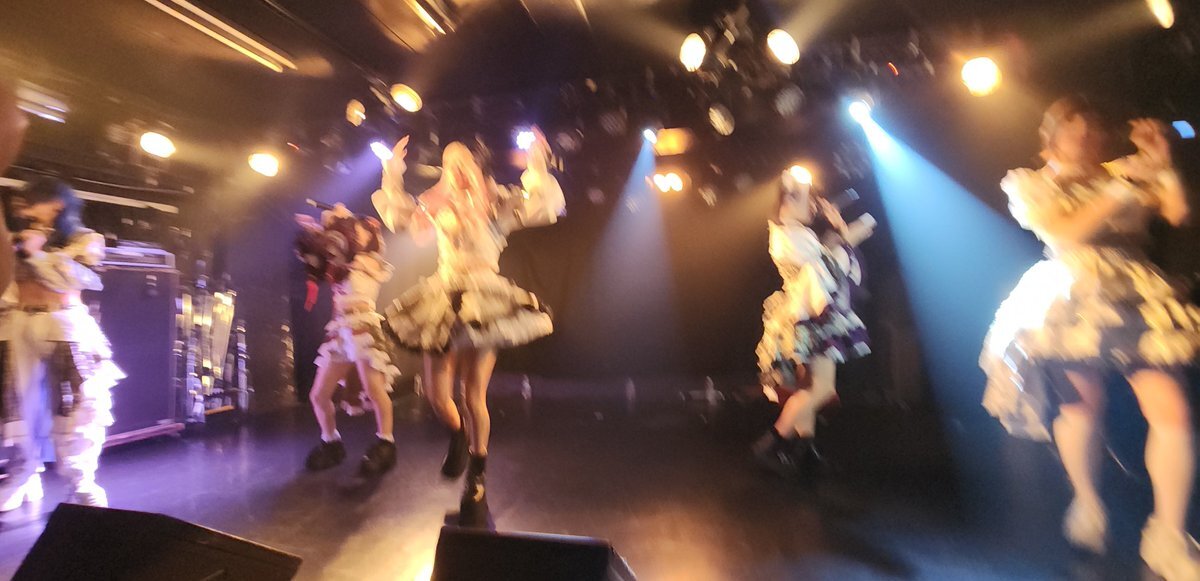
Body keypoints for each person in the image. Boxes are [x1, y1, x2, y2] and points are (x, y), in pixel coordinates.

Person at [980, 96, 1200, 578]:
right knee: (1083, 406)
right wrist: (1124, 185)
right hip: (1075, 293)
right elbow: (1065, 233)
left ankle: (1168, 536)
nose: (1083, 138)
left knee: (1172, 409)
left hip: (1136, 290)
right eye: (1072, 130)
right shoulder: (1032, 182)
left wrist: (1162, 163)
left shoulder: (1123, 171)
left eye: (1090, 130)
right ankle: (1087, 503)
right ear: (1051, 137)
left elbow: (1178, 212)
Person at [373, 129, 563, 526]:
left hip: (483, 299)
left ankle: (477, 471)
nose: (456, 171)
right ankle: (458, 435)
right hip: (442, 296)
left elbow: (541, 205)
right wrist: (392, 172)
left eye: (463, 164)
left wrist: (537, 162)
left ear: (476, 167)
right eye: (450, 164)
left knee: (473, 394)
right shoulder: (436, 205)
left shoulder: (496, 202)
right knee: (437, 395)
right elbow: (399, 216)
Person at [0, 178, 123, 510]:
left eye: (31, 202)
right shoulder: (17, 238)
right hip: (18, 324)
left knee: (76, 405)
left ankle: (81, 482)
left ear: (56, 205)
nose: (23, 209)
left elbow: (76, 279)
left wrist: (37, 253)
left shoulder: (85, 240)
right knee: (19, 405)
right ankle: (24, 473)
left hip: (64, 325)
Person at [752, 169, 875, 479]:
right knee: (821, 389)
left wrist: (840, 229)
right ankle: (772, 444)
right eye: (809, 200)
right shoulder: (789, 236)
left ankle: (806, 452)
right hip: (811, 319)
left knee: (809, 387)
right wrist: (850, 232)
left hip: (805, 317)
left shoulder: (791, 232)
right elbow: (827, 266)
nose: (814, 207)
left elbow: (824, 257)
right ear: (789, 199)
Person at [295, 204, 400, 478]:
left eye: (361, 230)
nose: (356, 232)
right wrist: (315, 236)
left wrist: (332, 227)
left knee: (375, 390)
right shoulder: (339, 261)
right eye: (355, 229)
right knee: (318, 395)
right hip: (340, 329)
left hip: (363, 327)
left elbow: (348, 255)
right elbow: (323, 258)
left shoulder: (371, 260)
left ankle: (386, 442)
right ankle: (331, 442)